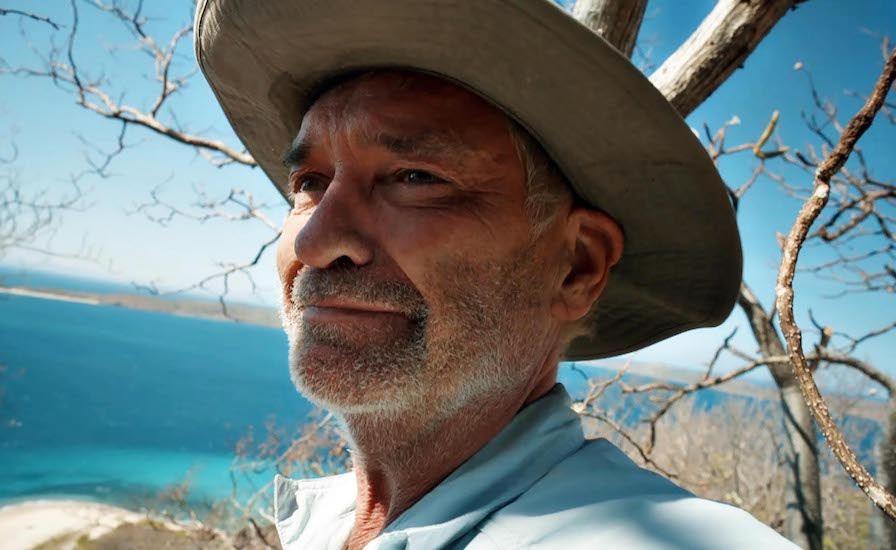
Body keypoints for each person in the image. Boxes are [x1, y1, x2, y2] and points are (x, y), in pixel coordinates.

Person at [194, 1, 797, 548]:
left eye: (414, 177)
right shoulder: (327, 524)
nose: (317, 239)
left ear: (578, 267)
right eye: (309, 184)